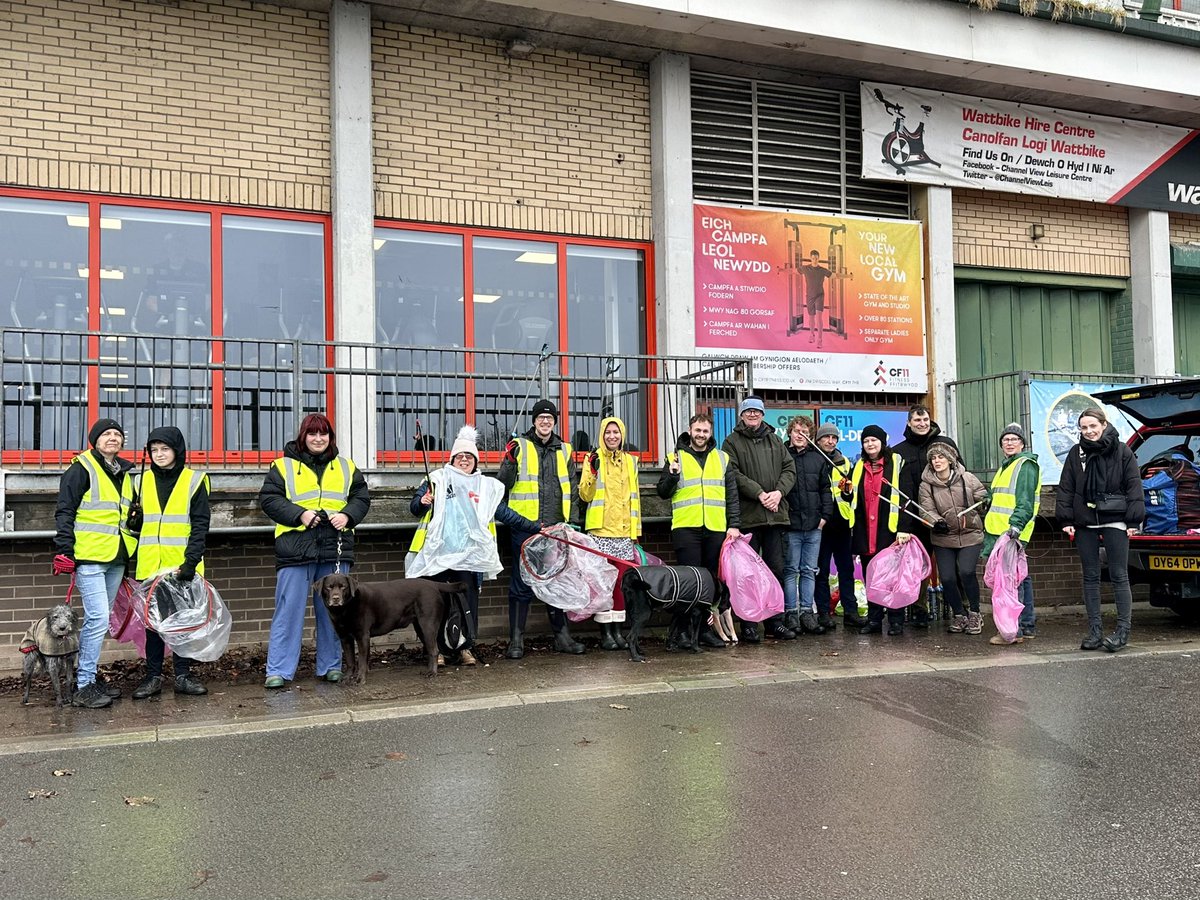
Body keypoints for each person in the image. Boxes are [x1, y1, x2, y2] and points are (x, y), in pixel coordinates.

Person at [408, 425, 542, 665]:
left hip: (469, 557)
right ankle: (436, 650)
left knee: (467, 604)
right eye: (460, 456)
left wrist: (533, 527)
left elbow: (504, 513)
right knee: (437, 603)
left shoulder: (484, 487)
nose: (464, 460)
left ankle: (464, 648)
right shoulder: (437, 479)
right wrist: (423, 501)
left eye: (469, 456)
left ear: (475, 461)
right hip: (438, 555)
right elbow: (415, 508)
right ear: (452, 458)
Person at [259, 413, 371, 688]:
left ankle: (331, 666)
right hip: (295, 550)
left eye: (324, 434)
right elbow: (269, 499)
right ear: (303, 436)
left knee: (336, 613)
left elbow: (361, 497)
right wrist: (299, 515)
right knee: (289, 612)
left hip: (335, 548)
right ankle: (278, 670)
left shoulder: (346, 466)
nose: (318, 439)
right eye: (312, 433)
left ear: (330, 438)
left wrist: (347, 516)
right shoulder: (282, 466)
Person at [52, 418, 139, 709]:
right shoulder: (81, 469)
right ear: (95, 440)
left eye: (117, 434)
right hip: (89, 558)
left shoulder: (126, 473)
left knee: (99, 622)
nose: (113, 437)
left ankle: (89, 675)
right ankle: (84, 684)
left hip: (116, 558)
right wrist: (65, 550)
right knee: (98, 618)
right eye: (106, 434)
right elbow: (65, 511)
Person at [497, 399, 583, 658]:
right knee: (521, 583)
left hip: (557, 528)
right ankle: (516, 640)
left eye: (550, 418)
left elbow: (573, 490)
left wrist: (574, 524)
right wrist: (510, 461)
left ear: (555, 422)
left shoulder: (565, 450)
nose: (545, 422)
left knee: (556, 582)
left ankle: (562, 637)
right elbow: (503, 484)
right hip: (526, 527)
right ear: (533, 421)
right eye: (540, 418)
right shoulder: (519, 446)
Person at [131, 426, 211, 698]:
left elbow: (200, 526)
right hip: (150, 565)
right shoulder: (138, 481)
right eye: (154, 450)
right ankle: (152, 677)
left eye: (164, 449)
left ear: (177, 450)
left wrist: (190, 563)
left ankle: (182, 675)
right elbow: (132, 526)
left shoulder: (194, 480)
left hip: (181, 568)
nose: (159, 454)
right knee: (152, 625)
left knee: (181, 624)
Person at [1056, 408, 1144, 653]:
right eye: (1084, 428)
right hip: (1085, 521)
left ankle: (1122, 631)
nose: (1089, 431)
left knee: (1119, 575)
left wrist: (1134, 521)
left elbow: (1133, 485)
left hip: (1115, 518)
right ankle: (1095, 631)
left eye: (1093, 426)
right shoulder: (1077, 453)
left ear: (1104, 424)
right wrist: (1065, 519)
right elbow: (1067, 486)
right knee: (1090, 576)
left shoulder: (1122, 450)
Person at [656, 413, 741, 649]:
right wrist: (672, 475)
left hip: (714, 528)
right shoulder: (675, 457)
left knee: (710, 583)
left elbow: (731, 496)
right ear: (690, 431)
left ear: (710, 433)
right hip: (686, 528)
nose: (701, 435)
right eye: (697, 430)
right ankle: (683, 632)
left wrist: (733, 524)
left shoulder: (722, 459)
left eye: (705, 431)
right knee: (689, 583)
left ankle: (704, 630)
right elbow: (662, 492)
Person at [723, 396, 797, 642]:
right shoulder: (731, 442)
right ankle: (749, 624)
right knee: (748, 575)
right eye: (748, 411)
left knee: (776, 570)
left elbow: (789, 470)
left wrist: (778, 493)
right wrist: (759, 493)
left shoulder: (775, 440)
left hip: (776, 517)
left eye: (757, 411)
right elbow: (732, 473)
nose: (753, 415)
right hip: (749, 519)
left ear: (763, 414)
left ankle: (775, 622)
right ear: (742, 415)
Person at [578, 416, 640, 651]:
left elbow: (635, 499)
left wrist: (635, 531)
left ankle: (617, 631)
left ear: (622, 435)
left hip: (623, 533)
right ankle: (605, 633)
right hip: (600, 531)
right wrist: (592, 473)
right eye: (608, 433)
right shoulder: (592, 458)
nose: (612, 436)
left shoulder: (630, 462)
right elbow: (585, 495)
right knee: (603, 585)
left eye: (616, 432)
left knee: (621, 585)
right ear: (602, 435)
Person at [844, 424, 910, 636]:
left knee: (892, 578)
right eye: (866, 441)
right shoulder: (858, 467)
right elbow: (852, 499)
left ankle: (896, 619)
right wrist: (846, 492)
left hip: (888, 532)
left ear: (882, 442)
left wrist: (903, 528)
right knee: (871, 577)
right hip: (865, 532)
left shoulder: (897, 464)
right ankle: (874, 619)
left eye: (874, 440)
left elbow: (907, 500)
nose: (870, 444)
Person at [918, 441, 987, 636]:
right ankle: (959, 614)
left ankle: (975, 612)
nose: (937, 460)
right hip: (943, 538)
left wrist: (984, 502)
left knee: (966, 572)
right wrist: (936, 521)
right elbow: (926, 510)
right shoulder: (926, 485)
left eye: (941, 457)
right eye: (933, 458)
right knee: (947, 578)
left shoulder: (968, 478)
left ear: (950, 459)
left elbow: (981, 495)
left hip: (970, 534)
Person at [982, 423, 1042, 646]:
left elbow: (1025, 501)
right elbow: (1000, 496)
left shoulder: (1024, 465)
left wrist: (1015, 527)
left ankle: (1011, 631)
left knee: (1008, 583)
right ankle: (1026, 627)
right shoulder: (1007, 466)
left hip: (1009, 532)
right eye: (1005, 440)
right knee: (1020, 579)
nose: (1009, 443)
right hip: (1002, 530)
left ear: (1022, 443)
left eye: (1014, 439)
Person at [892, 405, 944, 628]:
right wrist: (904, 524)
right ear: (908, 423)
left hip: (943, 518)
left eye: (925, 419)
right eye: (917, 420)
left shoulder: (944, 444)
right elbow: (898, 490)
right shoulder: (899, 451)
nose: (922, 424)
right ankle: (919, 609)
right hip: (915, 519)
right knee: (917, 568)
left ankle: (961, 610)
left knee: (951, 567)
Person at [813, 423, 867, 629]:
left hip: (843, 524)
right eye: (826, 437)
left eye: (834, 438)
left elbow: (850, 494)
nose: (830, 441)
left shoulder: (844, 462)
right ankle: (824, 613)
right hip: (822, 524)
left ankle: (850, 612)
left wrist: (847, 491)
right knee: (822, 570)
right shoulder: (814, 460)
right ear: (818, 440)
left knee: (846, 570)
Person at [783, 416, 833, 634]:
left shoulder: (818, 458)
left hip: (814, 525)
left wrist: (824, 517)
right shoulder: (781, 456)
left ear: (810, 436)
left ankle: (806, 613)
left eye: (804, 432)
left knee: (809, 571)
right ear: (789, 433)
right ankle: (790, 614)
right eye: (796, 431)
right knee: (790, 570)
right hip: (790, 525)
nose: (800, 435)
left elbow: (825, 490)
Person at [803, 250, 831, 347]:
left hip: (820, 296)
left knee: (819, 317)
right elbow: (793, 271)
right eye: (813, 258)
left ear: (818, 259)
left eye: (816, 258)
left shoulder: (822, 270)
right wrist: (781, 270)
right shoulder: (805, 268)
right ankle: (811, 335)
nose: (814, 260)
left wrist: (848, 276)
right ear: (811, 258)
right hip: (810, 296)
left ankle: (820, 339)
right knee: (811, 318)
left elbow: (835, 276)